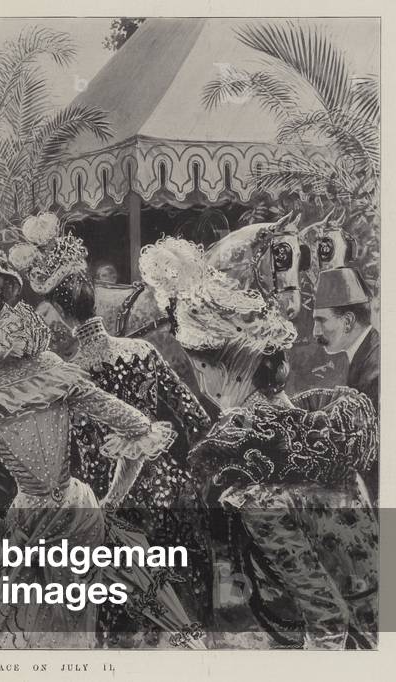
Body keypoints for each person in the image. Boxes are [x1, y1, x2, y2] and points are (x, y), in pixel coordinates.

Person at [0, 216, 195, 649]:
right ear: (3, 293)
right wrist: (109, 504)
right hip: (80, 511)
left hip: (28, 523)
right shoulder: (51, 369)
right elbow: (139, 429)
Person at [140, 237, 379, 650]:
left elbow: (326, 624)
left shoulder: (258, 487)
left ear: (212, 369)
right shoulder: (323, 431)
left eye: (197, 367)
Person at [13, 223, 213, 646]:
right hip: (171, 497)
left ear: (59, 314)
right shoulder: (142, 351)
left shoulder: (67, 378)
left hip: (108, 512)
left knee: (120, 640)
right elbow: (195, 419)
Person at [312, 267, 379, 409]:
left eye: (321, 321)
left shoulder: (374, 370)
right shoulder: (367, 353)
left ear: (348, 321)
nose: (315, 332)